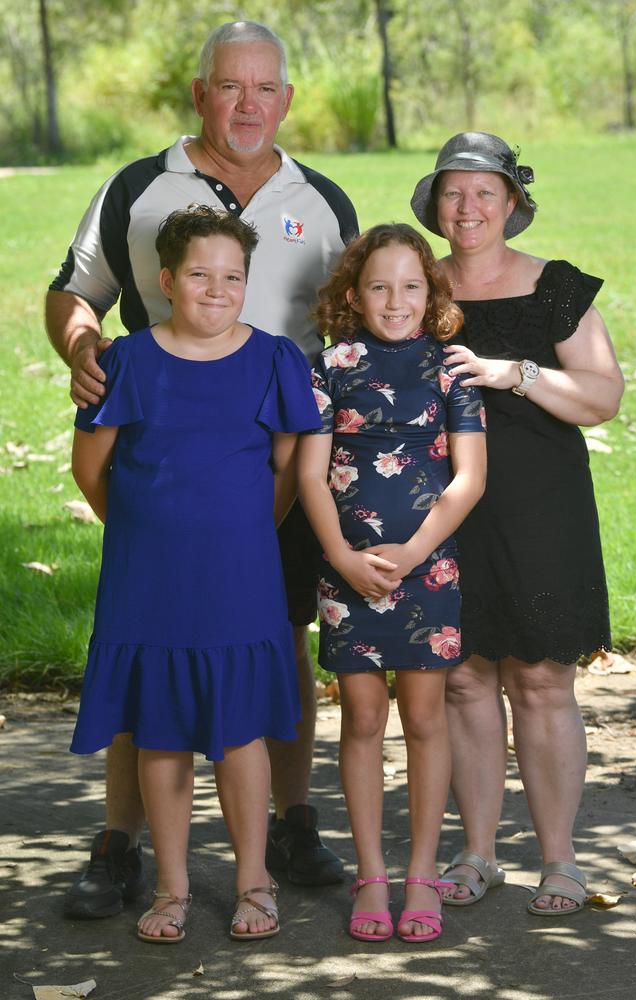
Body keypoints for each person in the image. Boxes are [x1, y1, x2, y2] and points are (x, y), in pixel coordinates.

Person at [46, 21, 358, 917]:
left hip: (277, 462)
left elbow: (355, 313)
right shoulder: (139, 189)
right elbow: (76, 288)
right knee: (150, 659)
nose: (248, 104)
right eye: (231, 87)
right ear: (201, 93)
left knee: (279, 641)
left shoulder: (321, 198)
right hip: (164, 461)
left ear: (287, 100)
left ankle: (290, 824)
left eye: (265, 89)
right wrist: (79, 346)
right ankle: (122, 841)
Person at [70, 205, 323, 942]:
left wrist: (239, 535)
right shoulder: (128, 362)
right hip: (147, 575)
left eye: (233, 276)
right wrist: (150, 530)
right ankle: (172, 889)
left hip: (240, 575)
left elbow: (284, 472)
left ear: (249, 281)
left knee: (240, 733)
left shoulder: (276, 359)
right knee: (161, 732)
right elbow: (92, 471)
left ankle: (254, 881)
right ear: (167, 280)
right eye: (201, 275)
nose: (217, 289)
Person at [410, 132, 624, 915]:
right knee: (464, 681)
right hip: (441, 507)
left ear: (512, 202)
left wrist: (518, 374)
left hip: (542, 508)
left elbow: (602, 398)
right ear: (435, 202)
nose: (467, 209)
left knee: (540, 679)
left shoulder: (555, 288)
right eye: (453, 193)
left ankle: (561, 861)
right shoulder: (413, 284)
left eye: (484, 193)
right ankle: (476, 854)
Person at [298, 223, 487, 942]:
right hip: (348, 571)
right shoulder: (331, 365)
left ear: (432, 293)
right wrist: (343, 557)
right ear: (353, 294)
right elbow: (311, 475)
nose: (395, 299)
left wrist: (412, 554)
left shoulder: (450, 367)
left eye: (411, 285)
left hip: (427, 569)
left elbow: (469, 478)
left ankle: (421, 874)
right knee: (363, 721)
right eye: (379, 286)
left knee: (427, 720)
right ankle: (372, 873)